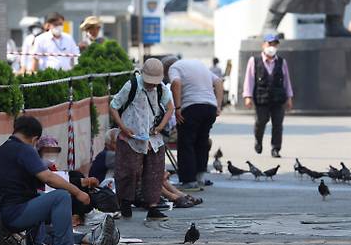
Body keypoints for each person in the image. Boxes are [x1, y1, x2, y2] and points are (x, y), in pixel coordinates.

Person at [0, 116, 92, 245]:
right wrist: (77, 191)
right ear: (34, 139)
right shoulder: (24, 150)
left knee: (38, 196)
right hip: (14, 215)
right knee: (60, 196)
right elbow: (48, 177)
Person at [110, 58, 174, 221]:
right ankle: (125, 202)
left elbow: (170, 107)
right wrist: (123, 127)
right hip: (130, 137)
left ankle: (152, 206)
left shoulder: (161, 89)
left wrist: (161, 127)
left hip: (153, 138)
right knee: (128, 171)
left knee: (154, 171)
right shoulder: (131, 85)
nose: (152, 85)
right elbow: (114, 106)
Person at [165, 57, 223, 192]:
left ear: (166, 69)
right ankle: (200, 177)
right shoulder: (198, 64)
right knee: (201, 142)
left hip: (191, 107)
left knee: (186, 143)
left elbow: (176, 83)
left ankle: (189, 181)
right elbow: (219, 82)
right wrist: (218, 106)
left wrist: (178, 108)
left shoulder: (174, 68)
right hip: (210, 107)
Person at [242, 34, 294, 158]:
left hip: (278, 98)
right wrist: (248, 96)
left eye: (274, 45)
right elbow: (249, 79)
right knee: (261, 122)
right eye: (270, 44)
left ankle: (275, 148)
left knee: (277, 124)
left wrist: (289, 97)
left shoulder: (281, 62)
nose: (272, 47)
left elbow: (287, 80)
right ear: (263, 45)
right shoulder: (254, 61)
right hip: (261, 98)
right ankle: (258, 141)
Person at [36, 135, 98, 226]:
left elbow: (59, 177)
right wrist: (80, 182)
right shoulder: (37, 165)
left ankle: (82, 214)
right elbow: (50, 182)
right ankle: (83, 214)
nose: (51, 154)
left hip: (54, 191)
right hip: (44, 195)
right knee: (73, 191)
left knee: (75, 174)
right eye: (47, 151)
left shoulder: (50, 165)